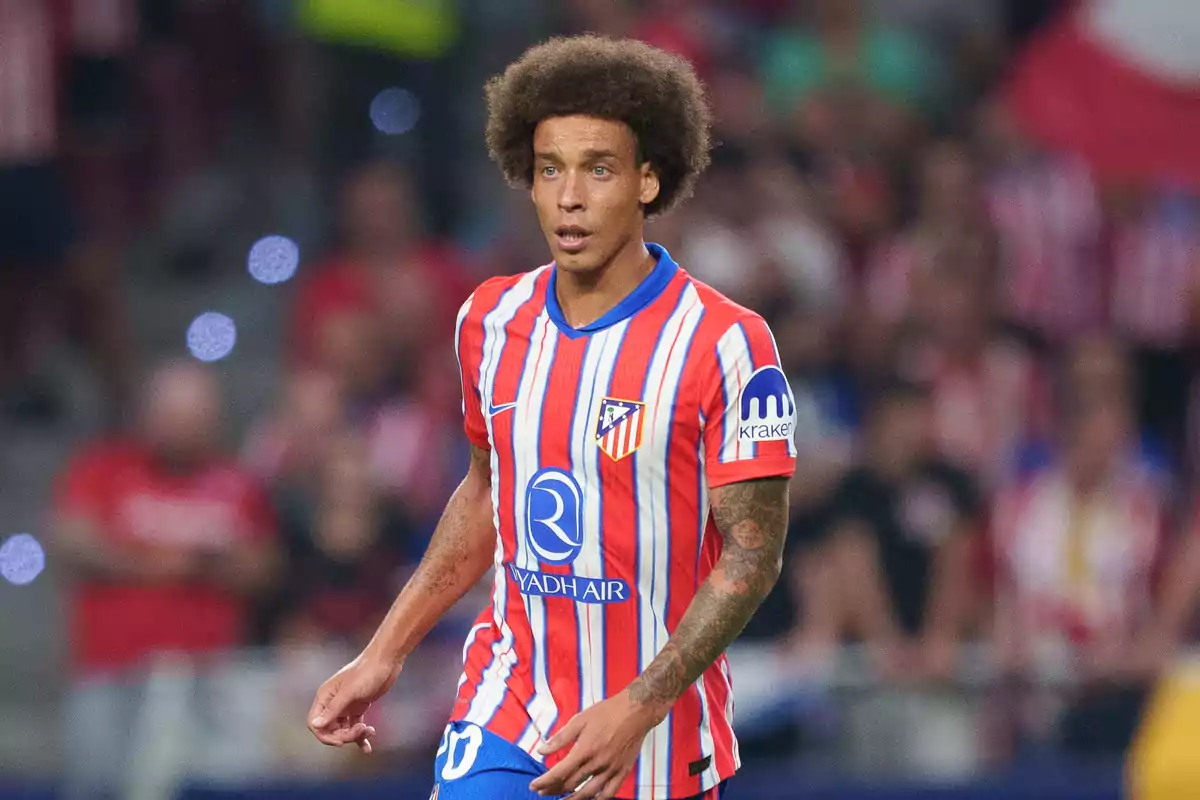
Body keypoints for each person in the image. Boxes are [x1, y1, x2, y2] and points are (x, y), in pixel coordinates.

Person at [307, 35, 797, 800]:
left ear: (647, 179)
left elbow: (752, 556)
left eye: (598, 169)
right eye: (549, 170)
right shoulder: (489, 319)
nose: (569, 196)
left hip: (659, 741)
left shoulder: (727, 342)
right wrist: (383, 653)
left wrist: (639, 705)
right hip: (508, 705)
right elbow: (483, 494)